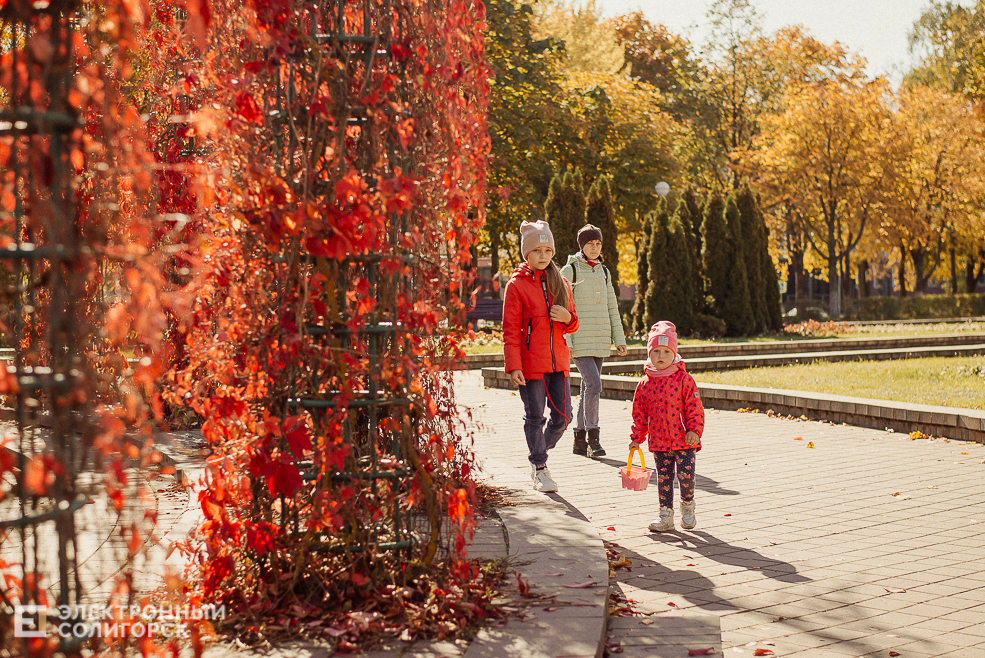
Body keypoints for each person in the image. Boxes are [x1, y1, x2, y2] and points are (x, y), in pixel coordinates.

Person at [503, 220, 579, 493]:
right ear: (527, 254)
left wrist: (568, 317)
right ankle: (539, 466)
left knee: (564, 417)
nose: (544, 255)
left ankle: (538, 449)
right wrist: (513, 366)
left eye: (548, 250)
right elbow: (510, 330)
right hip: (531, 364)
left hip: (558, 362)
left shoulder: (562, 282)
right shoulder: (516, 285)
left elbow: (573, 323)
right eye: (538, 250)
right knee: (535, 417)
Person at [627, 321, 705, 531]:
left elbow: (694, 407)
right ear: (649, 354)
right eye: (656, 351)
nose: (661, 356)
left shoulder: (684, 380)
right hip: (659, 441)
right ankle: (665, 514)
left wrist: (694, 431)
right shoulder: (645, 383)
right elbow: (640, 414)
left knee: (686, 477)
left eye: (666, 351)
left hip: (684, 440)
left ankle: (687, 507)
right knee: (664, 479)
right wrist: (636, 438)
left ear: (674, 354)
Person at [560, 224, 627, 458]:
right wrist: (565, 340)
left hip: (600, 340)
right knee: (595, 384)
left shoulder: (604, 271)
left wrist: (619, 339)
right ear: (582, 245)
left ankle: (579, 440)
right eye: (590, 243)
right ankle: (593, 438)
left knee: (589, 386)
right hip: (578, 340)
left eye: (598, 243)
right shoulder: (570, 271)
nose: (595, 247)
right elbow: (561, 307)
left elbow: (612, 307)